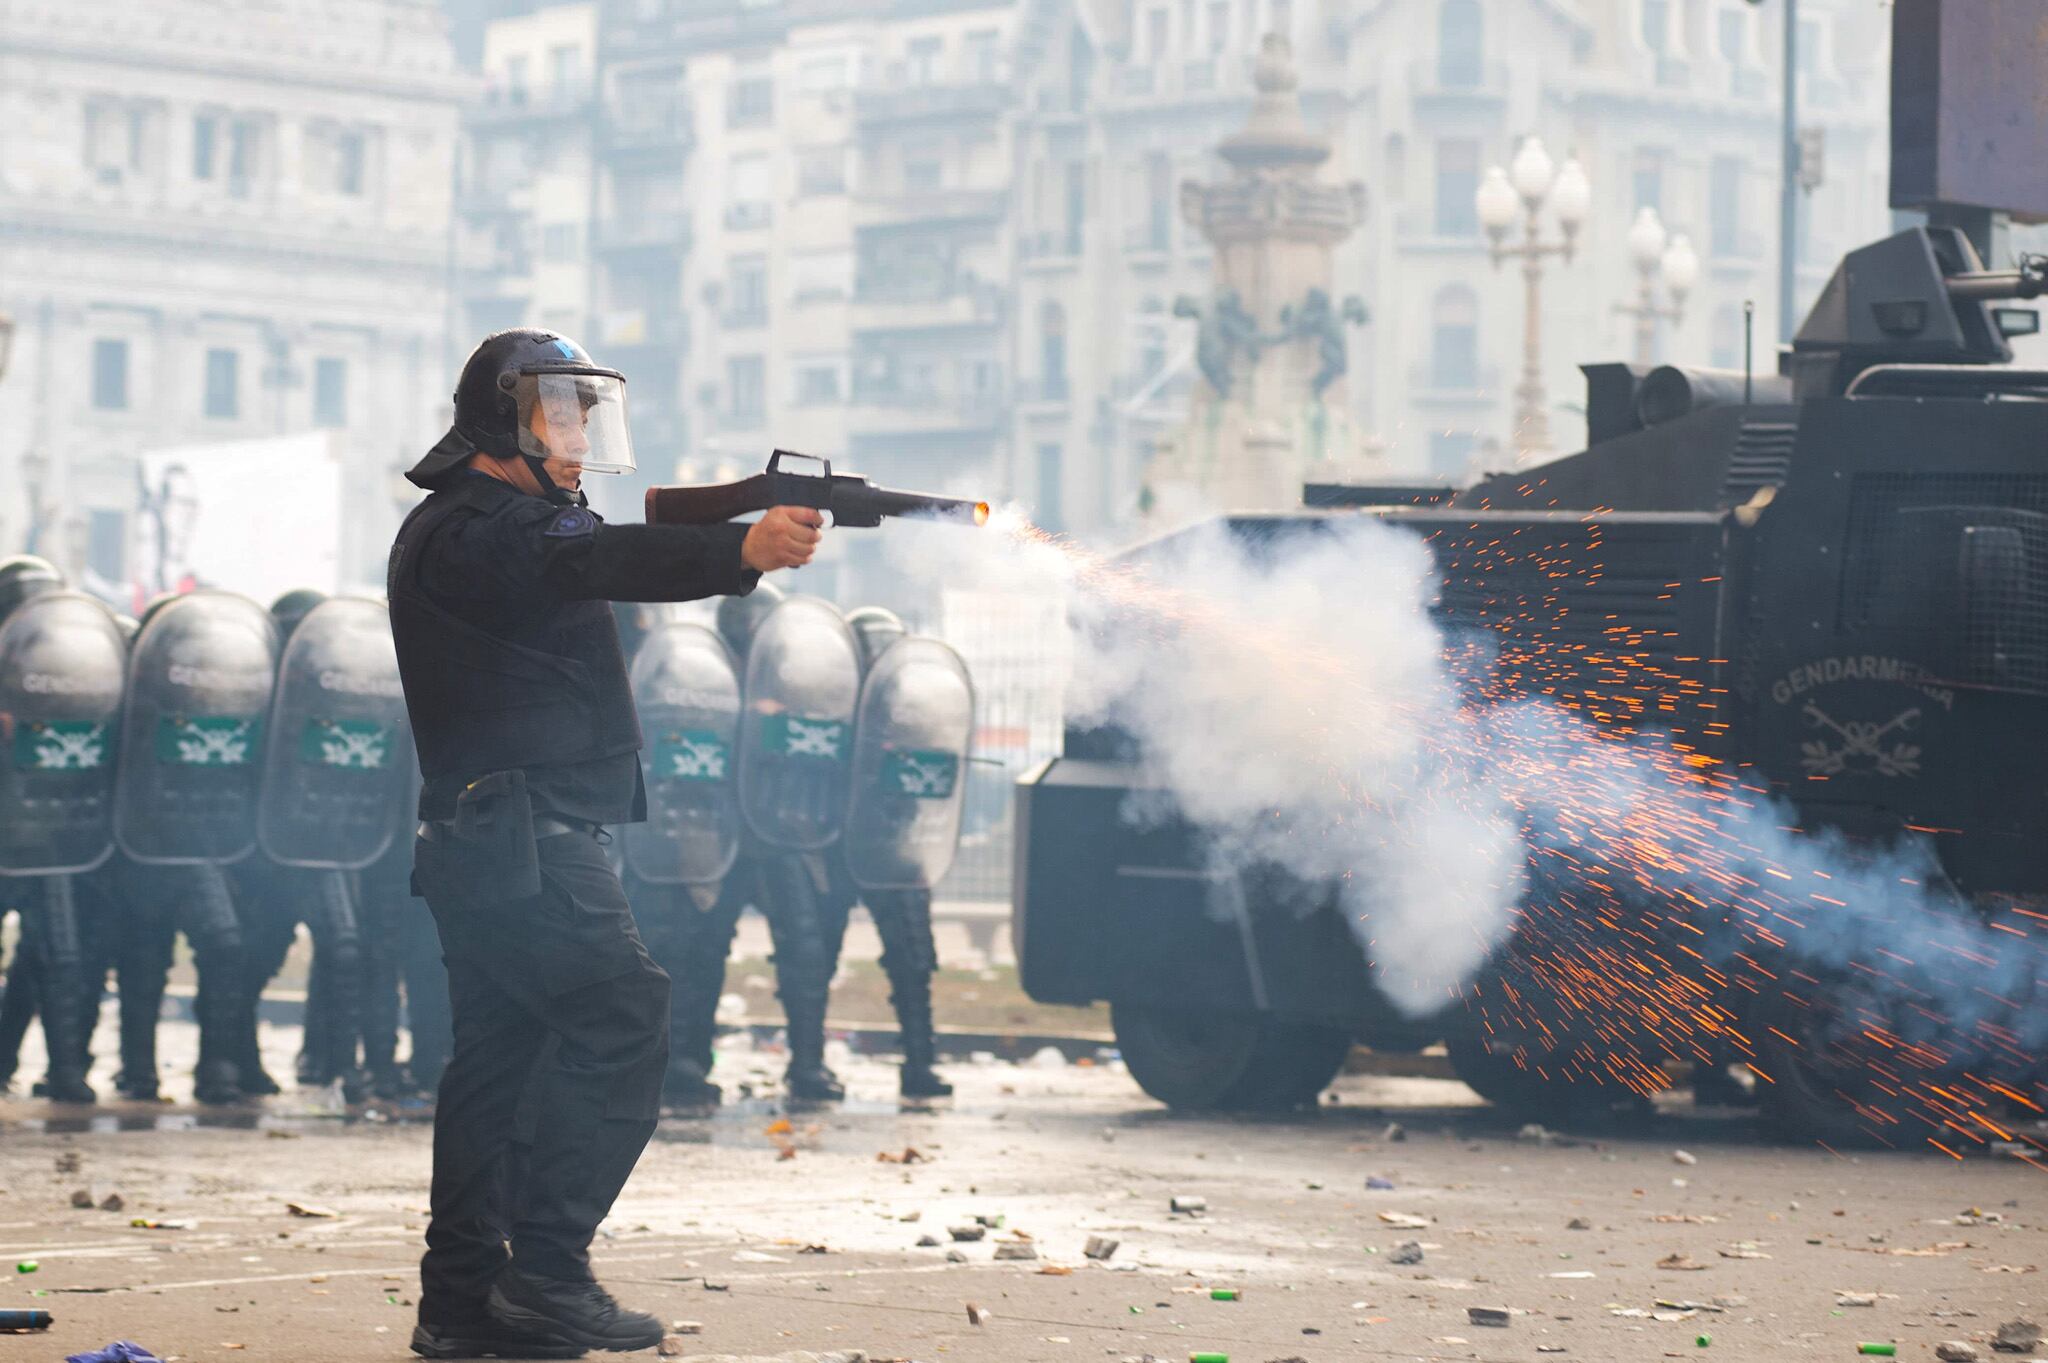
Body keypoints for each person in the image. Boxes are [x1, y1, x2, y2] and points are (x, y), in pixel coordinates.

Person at [390, 328, 816, 1360]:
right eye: (560, 417)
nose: (579, 441)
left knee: (499, 1060)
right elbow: (597, 552)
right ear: (503, 420)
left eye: (586, 416)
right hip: (523, 834)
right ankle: (544, 1271)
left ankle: (461, 1305)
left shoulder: (495, 524)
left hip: (502, 836)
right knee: (624, 1016)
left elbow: (590, 543)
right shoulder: (478, 529)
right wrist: (736, 550)